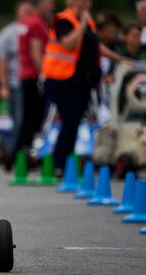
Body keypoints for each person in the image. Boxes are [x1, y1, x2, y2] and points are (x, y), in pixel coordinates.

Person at [42, 0, 125, 173]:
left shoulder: (87, 21)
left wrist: (119, 59)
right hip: (61, 79)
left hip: (81, 82)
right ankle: (59, 163)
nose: (85, 3)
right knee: (70, 120)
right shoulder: (64, 20)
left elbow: (95, 46)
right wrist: (82, 24)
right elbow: (69, 43)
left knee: (74, 121)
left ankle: (65, 162)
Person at [11, 0, 54, 167]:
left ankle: (18, 155)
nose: (52, 7)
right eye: (49, 3)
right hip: (34, 76)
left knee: (28, 118)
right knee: (34, 119)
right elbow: (36, 52)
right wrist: (43, 76)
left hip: (26, 75)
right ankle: (22, 155)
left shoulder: (28, 22)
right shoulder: (36, 23)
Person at [0, 1, 34, 146]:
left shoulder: (35, 29)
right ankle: (17, 152)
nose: (27, 14)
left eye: (30, 11)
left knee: (32, 119)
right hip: (15, 83)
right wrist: (3, 85)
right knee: (18, 120)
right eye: (25, 10)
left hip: (33, 82)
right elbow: (1, 60)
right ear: (17, 12)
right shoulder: (8, 32)